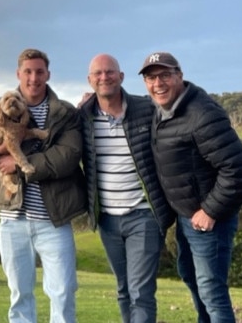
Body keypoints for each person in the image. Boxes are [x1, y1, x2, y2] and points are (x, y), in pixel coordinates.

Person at [0, 48, 87, 323]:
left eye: (39, 72)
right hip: (12, 220)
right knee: (19, 296)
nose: (33, 78)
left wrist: (19, 163)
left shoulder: (63, 113)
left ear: (48, 74)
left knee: (63, 293)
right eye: (27, 72)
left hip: (53, 220)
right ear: (18, 74)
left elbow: (68, 156)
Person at [138, 52, 242, 323]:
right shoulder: (162, 109)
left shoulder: (202, 114)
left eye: (165, 75)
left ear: (179, 75)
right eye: (151, 77)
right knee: (191, 278)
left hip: (208, 221)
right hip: (187, 217)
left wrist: (210, 211)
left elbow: (239, 171)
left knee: (212, 292)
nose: (158, 83)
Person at [78, 54, 174, 323]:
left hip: (143, 216)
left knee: (140, 292)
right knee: (123, 290)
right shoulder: (82, 118)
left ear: (121, 77)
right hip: (107, 220)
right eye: (98, 73)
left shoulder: (146, 108)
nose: (104, 77)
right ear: (90, 80)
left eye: (110, 72)